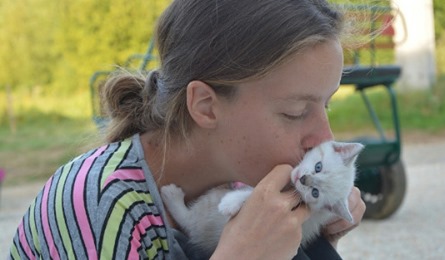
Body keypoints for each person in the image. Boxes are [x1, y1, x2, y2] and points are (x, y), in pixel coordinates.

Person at [9, 0, 366, 259]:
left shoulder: (246, 185)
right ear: (206, 106)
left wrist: (311, 238)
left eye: (327, 103)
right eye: (295, 111)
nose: (325, 137)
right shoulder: (101, 205)